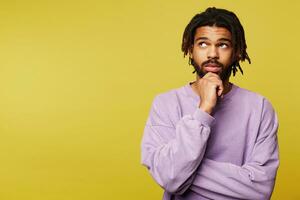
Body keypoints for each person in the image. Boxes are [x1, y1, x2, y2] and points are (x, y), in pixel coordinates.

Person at [140, 7, 279, 200]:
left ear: (237, 52)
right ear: (190, 50)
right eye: (203, 44)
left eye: (222, 45)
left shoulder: (260, 107)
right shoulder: (166, 104)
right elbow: (169, 178)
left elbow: (260, 189)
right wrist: (204, 108)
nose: (212, 53)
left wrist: (181, 169)